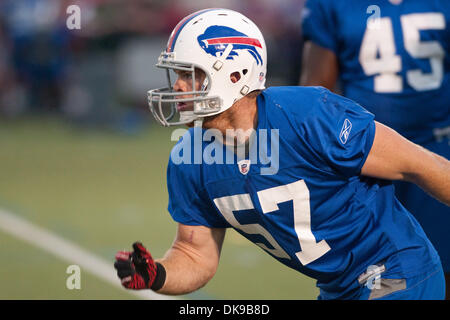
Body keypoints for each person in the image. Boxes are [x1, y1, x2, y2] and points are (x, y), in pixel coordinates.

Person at [114, 8, 450, 300]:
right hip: (339, 288)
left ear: (235, 73)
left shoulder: (307, 115)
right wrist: (157, 274)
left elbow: (419, 165)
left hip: (398, 269)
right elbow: (194, 254)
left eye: (191, 74)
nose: (178, 87)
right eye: (178, 75)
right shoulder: (189, 159)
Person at [299, 0, 450, 299]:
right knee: (370, 272)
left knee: (443, 268)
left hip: (438, 146)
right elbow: (315, 91)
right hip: (367, 156)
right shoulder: (333, 5)